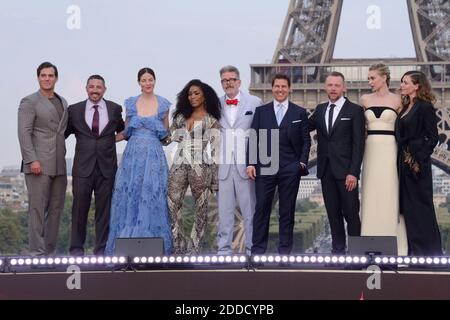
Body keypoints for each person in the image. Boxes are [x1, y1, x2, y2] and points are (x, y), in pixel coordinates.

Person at [105, 68, 172, 255]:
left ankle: (153, 245)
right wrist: (103, 141)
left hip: (154, 156)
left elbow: (165, 134)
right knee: (131, 196)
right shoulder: (131, 104)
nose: (147, 83)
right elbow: (126, 132)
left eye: (150, 80)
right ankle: (128, 245)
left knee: (153, 196)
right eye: (144, 80)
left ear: (155, 81)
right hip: (132, 156)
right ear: (139, 82)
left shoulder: (164, 105)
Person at [247, 73, 311, 255]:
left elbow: (306, 140)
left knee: (287, 211)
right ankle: (258, 251)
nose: (280, 90)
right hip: (266, 164)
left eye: (284, 86)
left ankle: (285, 252)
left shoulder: (299, 112)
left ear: (289, 89)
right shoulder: (262, 111)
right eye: (277, 86)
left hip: (290, 166)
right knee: (261, 210)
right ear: (272, 88)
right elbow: (253, 137)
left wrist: (301, 163)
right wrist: (251, 163)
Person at [65, 75, 125, 256]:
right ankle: (76, 250)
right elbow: (62, 135)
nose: (95, 90)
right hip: (82, 168)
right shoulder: (74, 110)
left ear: (104, 89)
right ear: (86, 89)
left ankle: (101, 250)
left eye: (99, 87)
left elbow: (123, 131)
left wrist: (108, 141)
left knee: (104, 212)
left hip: (107, 168)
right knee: (79, 210)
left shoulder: (114, 109)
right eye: (91, 86)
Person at [308, 72, 365, 254]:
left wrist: (353, 172)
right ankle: (338, 252)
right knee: (333, 215)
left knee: (351, 215)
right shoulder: (320, 109)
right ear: (326, 87)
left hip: (346, 172)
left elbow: (358, 144)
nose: (333, 88)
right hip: (326, 171)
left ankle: (356, 254)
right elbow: (301, 126)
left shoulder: (355, 110)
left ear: (344, 87)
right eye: (330, 85)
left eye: (337, 85)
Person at [18, 62, 68, 256]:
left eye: (51, 75)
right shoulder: (29, 102)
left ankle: (49, 251)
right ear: (38, 78)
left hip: (59, 165)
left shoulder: (63, 102)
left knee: (56, 211)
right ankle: (36, 252)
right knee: (37, 210)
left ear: (56, 78)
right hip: (38, 164)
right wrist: (32, 160)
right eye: (43, 75)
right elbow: (24, 133)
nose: (47, 78)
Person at [166, 79, 221, 255]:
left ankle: (194, 247)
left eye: (196, 93)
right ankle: (178, 245)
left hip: (200, 166)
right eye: (190, 94)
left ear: (204, 96)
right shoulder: (180, 117)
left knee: (201, 207)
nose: (192, 97)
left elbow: (216, 152)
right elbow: (167, 139)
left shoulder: (211, 121)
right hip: (179, 164)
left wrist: (214, 179)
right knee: (171, 205)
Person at [360, 63, 408, 256]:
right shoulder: (364, 99)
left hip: (390, 149)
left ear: (384, 77)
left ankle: (395, 245)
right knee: (371, 194)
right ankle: (370, 244)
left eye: (372, 78)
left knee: (390, 193)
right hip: (370, 149)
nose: (369, 81)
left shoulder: (399, 100)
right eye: (369, 78)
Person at [216, 66, 262, 255]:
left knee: (250, 210)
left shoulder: (255, 102)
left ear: (239, 81)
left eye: (232, 79)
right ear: (221, 83)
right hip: (224, 165)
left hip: (247, 164)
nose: (229, 83)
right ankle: (223, 250)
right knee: (224, 212)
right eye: (225, 80)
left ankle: (252, 249)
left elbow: (261, 132)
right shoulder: (215, 104)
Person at [397, 70, 442, 256]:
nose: (402, 85)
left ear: (417, 85)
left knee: (421, 208)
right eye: (401, 82)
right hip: (403, 163)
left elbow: (433, 137)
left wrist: (418, 159)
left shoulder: (424, 107)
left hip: (416, 166)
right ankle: (414, 252)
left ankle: (429, 254)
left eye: (405, 82)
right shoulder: (406, 106)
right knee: (409, 210)